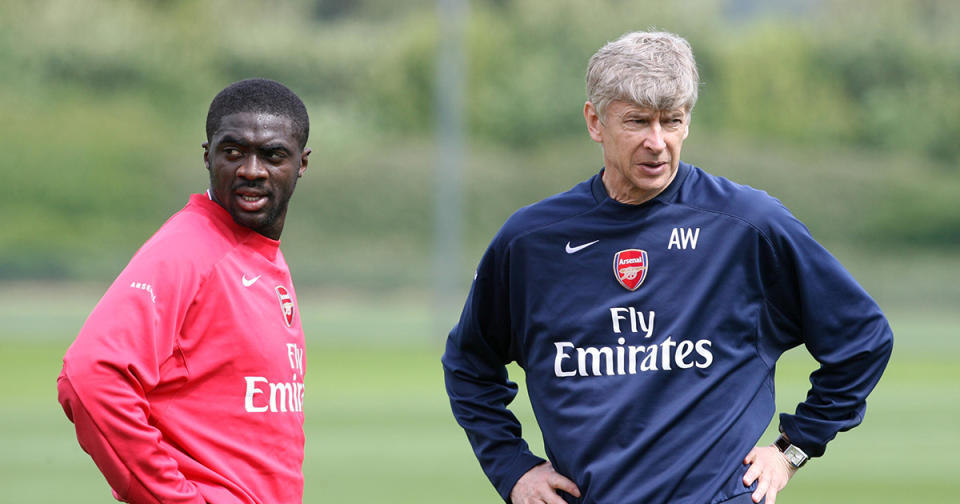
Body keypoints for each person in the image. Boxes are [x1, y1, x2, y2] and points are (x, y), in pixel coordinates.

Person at [441, 31, 892, 504]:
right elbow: (470, 363)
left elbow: (862, 339)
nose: (657, 142)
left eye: (671, 121)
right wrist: (513, 468)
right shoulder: (531, 241)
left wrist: (792, 449)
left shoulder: (748, 226)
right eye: (637, 122)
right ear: (595, 122)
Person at [58, 78, 312, 504]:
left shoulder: (257, 252)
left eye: (272, 155)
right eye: (233, 152)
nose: (251, 169)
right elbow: (90, 375)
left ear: (301, 164)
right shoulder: (187, 249)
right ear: (207, 156)